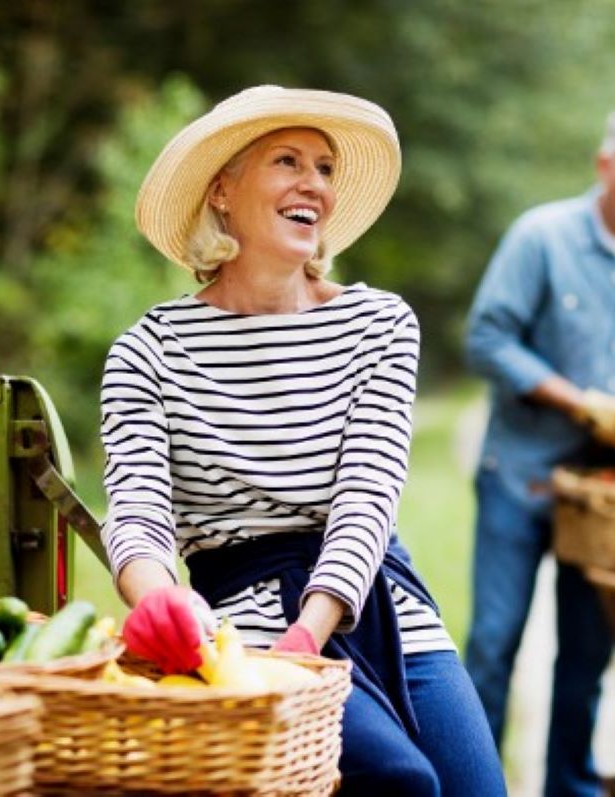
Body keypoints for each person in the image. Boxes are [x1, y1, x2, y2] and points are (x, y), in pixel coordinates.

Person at [100, 85, 507, 797]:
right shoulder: (148, 350)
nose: (314, 184)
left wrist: (310, 635)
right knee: (400, 781)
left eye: (325, 168)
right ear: (222, 191)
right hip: (243, 623)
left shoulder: (379, 325)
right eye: (287, 160)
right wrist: (157, 601)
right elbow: (136, 512)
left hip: (375, 597)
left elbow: (367, 496)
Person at [462, 98, 615, 797]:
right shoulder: (541, 236)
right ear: (605, 164)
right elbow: (487, 339)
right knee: (494, 645)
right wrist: (578, 401)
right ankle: (473, 783)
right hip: (519, 473)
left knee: (588, 655)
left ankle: (569, 786)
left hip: (608, 493)